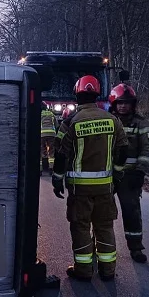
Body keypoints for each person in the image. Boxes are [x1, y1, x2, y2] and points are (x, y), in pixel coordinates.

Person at [52, 76, 129, 281]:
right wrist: (118, 174)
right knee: (105, 227)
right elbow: (123, 150)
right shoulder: (113, 120)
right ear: (96, 95)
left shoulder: (71, 122)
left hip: (80, 190)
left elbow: (60, 154)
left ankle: (84, 271)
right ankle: (108, 270)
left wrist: (57, 179)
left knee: (81, 226)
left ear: (77, 95)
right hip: (105, 187)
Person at [108, 83, 149, 263]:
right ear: (114, 103)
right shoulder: (108, 121)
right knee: (102, 213)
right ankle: (99, 246)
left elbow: (146, 150)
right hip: (109, 176)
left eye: (127, 103)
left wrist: (140, 173)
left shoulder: (141, 123)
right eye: (120, 102)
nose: (123, 106)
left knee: (131, 212)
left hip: (129, 177)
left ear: (133, 104)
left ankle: (136, 248)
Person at [40, 107, 58, 172]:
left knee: (42, 150)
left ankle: (41, 169)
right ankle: (51, 168)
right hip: (52, 134)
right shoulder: (51, 114)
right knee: (51, 151)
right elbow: (56, 125)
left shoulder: (39, 114)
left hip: (42, 134)